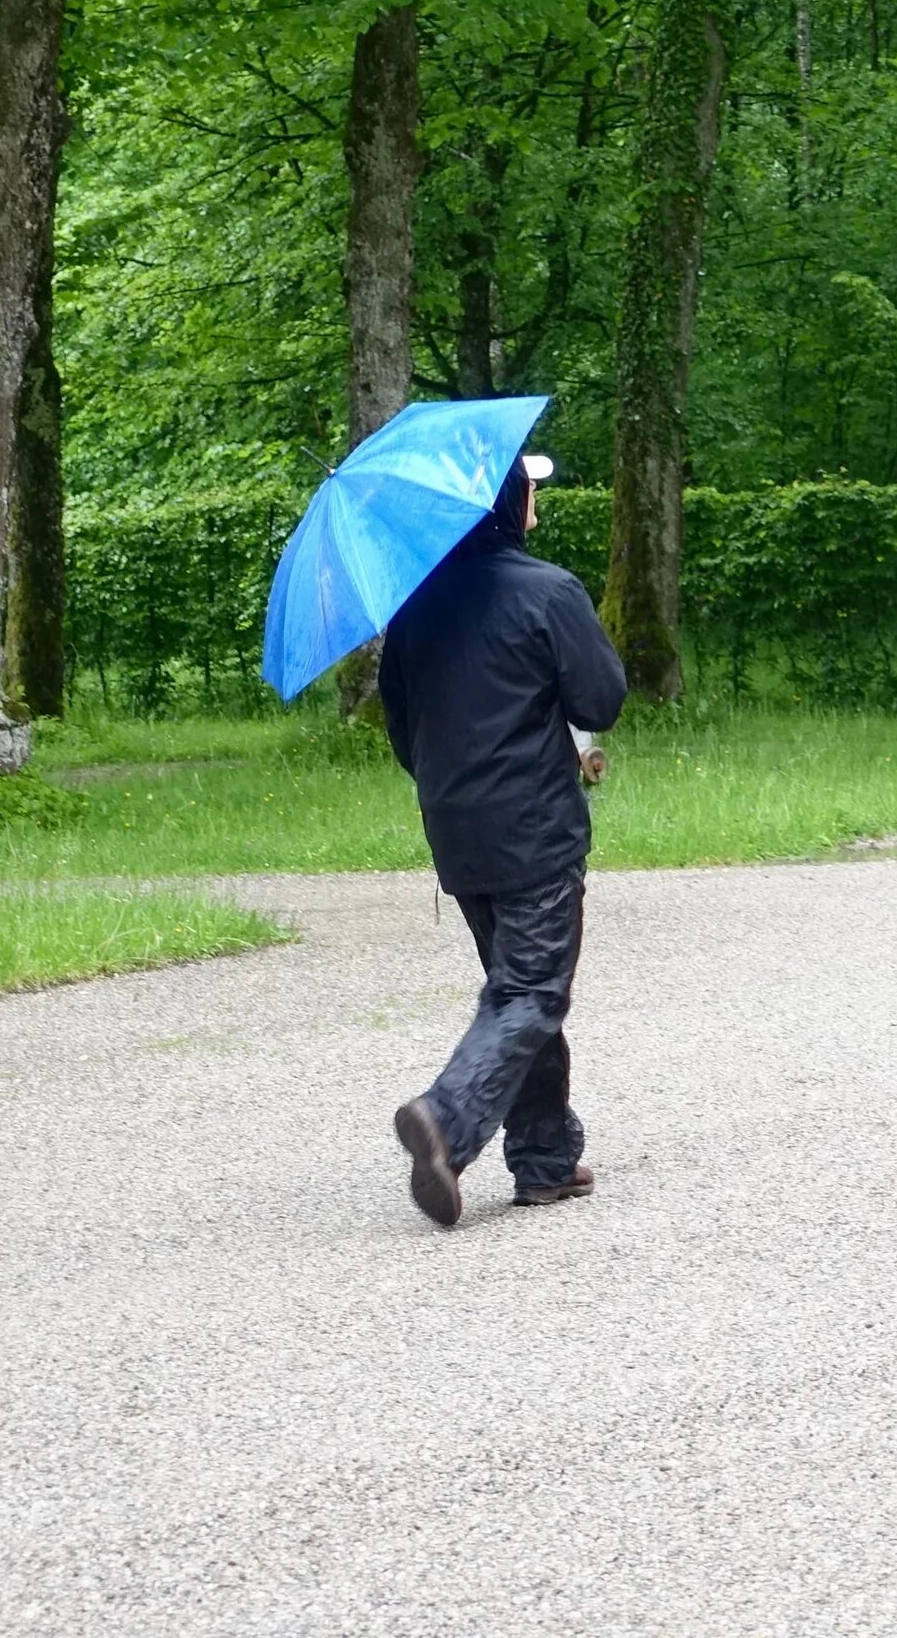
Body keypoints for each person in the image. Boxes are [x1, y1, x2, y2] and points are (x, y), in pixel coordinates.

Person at [382, 452, 626, 1228]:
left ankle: (546, 1157)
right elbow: (603, 696)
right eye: (532, 492)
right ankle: (446, 1122)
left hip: (455, 831)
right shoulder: (548, 591)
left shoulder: (415, 608)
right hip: (535, 829)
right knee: (532, 990)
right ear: (510, 501)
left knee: (514, 990)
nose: (538, 505)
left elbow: (400, 728)